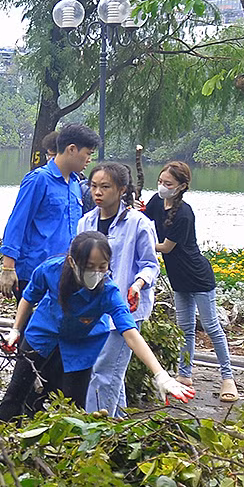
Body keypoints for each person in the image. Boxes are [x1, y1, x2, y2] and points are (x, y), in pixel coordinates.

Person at [0, 231, 193, 421]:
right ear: (72, 262)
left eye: (102, 267)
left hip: (82, 344)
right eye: (90, 266)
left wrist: (161, 375)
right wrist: (15, 330)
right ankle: (5, 440)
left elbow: (131, 333)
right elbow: (29, 298)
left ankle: (62, 449)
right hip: (43, 333)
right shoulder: (50, 270)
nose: (96, 273)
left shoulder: (108, 291)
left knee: (72, 409)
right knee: (17, 391)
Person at [144, 160, 237, 400]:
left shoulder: (184, 214)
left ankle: (228, 379)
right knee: (184, 328)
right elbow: (143, 221)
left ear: (182, 186)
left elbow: (165, 247)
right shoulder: (156, 201)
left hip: (198, 277)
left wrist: (140, 243)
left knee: (211, 327)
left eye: (169, 183)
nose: (163, 186)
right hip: (178, 279)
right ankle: (184, 375)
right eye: (161, 182)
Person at [76, 163, 161, 415]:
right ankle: (119, 428)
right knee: (109, 371)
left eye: (105, 187)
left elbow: (150, 265)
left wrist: (138, 283)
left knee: (104, 372)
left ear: (122, 190)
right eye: (93, 186)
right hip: (94, 308)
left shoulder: (139, 223)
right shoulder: (86, 222)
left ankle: (95, 431)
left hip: (126, 309)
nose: (97, 192)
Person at [0, 124, 95, 297]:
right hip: (35, 273)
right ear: (72, 149)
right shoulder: (38, 179)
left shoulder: (75, 183)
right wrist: (8, 267)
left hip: (65, 274)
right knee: (31, 324)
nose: (89, 160)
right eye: (88, 153)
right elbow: (17, 223)